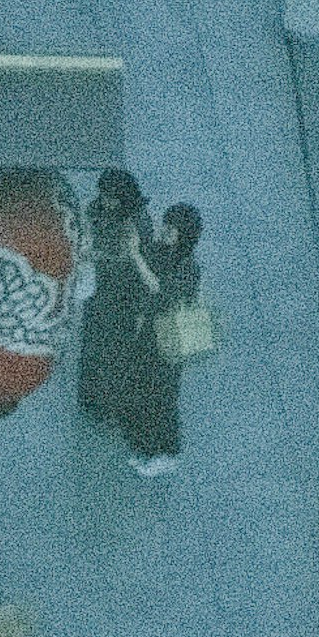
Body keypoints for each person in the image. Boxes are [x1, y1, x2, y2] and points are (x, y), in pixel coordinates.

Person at [95, 195, 200, 474]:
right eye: (166, 225)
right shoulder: (163, 252)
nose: (166, 231)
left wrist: (137, 257)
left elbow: (160, 289)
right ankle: (146, 448)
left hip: (168, 337)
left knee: (162, 397)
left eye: (172, 228)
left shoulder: (187, 266)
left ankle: (166, 453)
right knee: (142, 391)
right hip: (149, 335)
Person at [71, 163, 149, 427]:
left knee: (115, 353)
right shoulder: (97, 209)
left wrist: (96, 256)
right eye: (103, 195)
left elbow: (136, 260)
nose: (105, 201)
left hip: (123, 295)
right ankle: (91, 399)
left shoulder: (137, 221)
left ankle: (111, 407)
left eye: (110, 198)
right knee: (94, 345)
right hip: (100, 291)